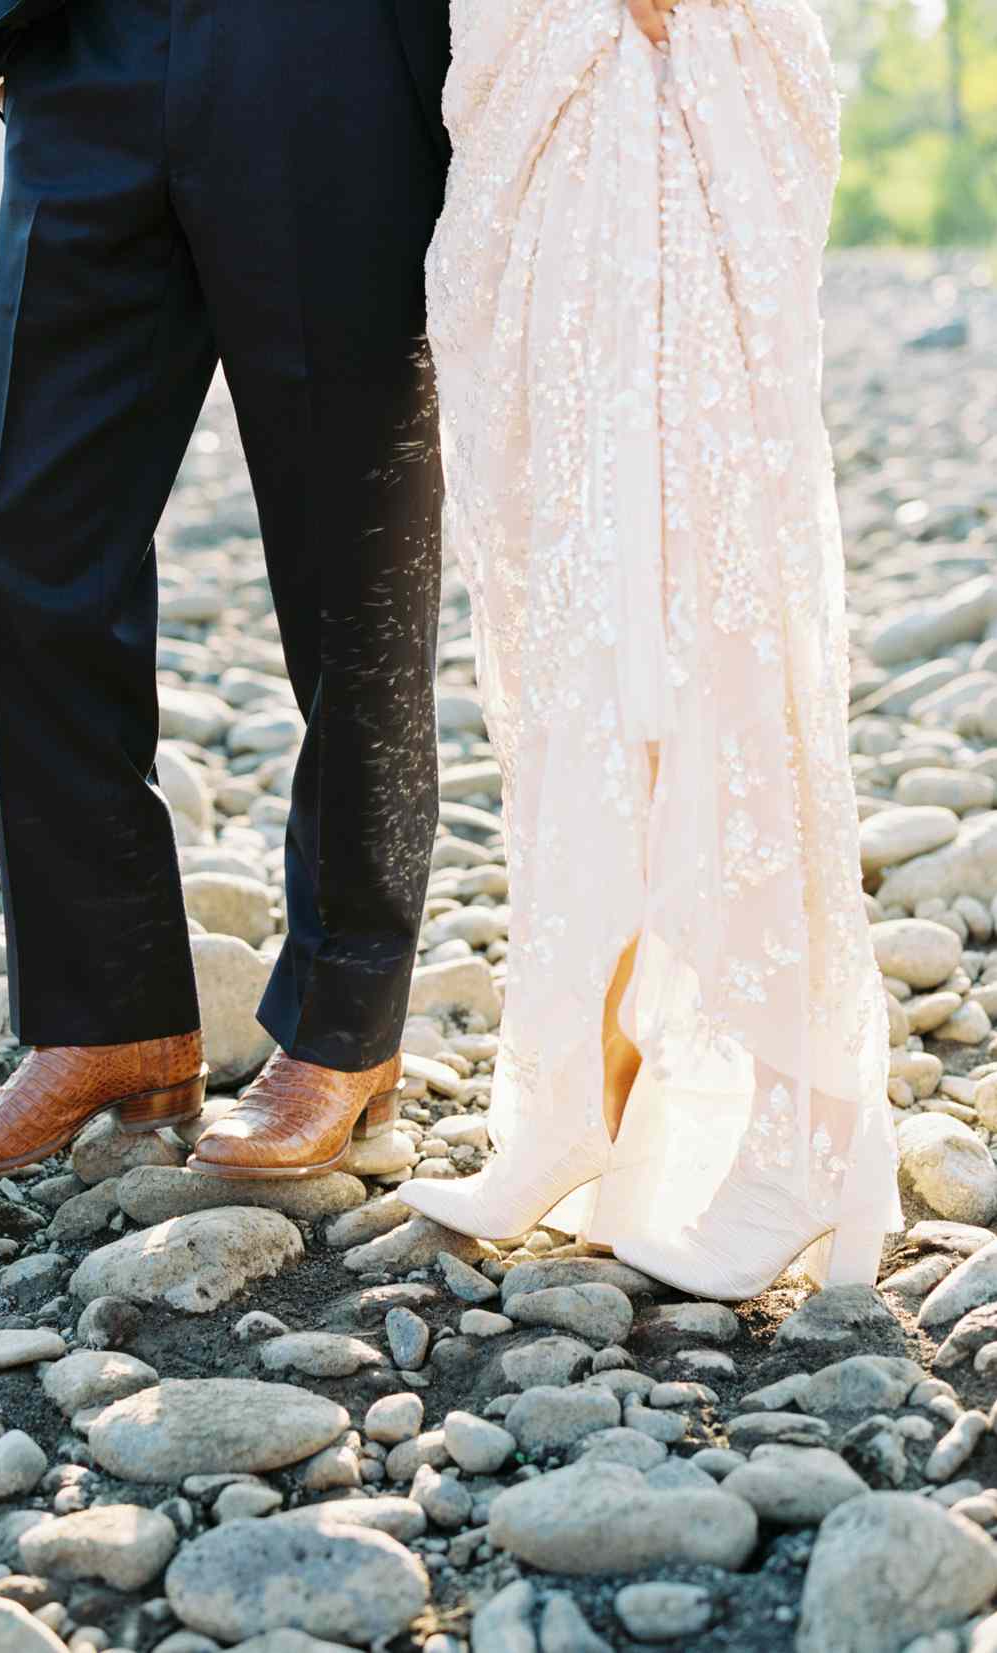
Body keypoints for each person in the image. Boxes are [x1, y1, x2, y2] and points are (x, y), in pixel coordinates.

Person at [0, 0, 450, 1180]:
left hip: (327, 51)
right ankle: (110, 1021)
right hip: (82, 44)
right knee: (31, 547)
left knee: (348, 565)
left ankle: (345, 1028)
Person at [397, 0, 903, 1298]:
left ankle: (797, 1122)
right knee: (575, 600)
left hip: (670, 63)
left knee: (705, 579)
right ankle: (579, 1085)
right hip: (534, 66)